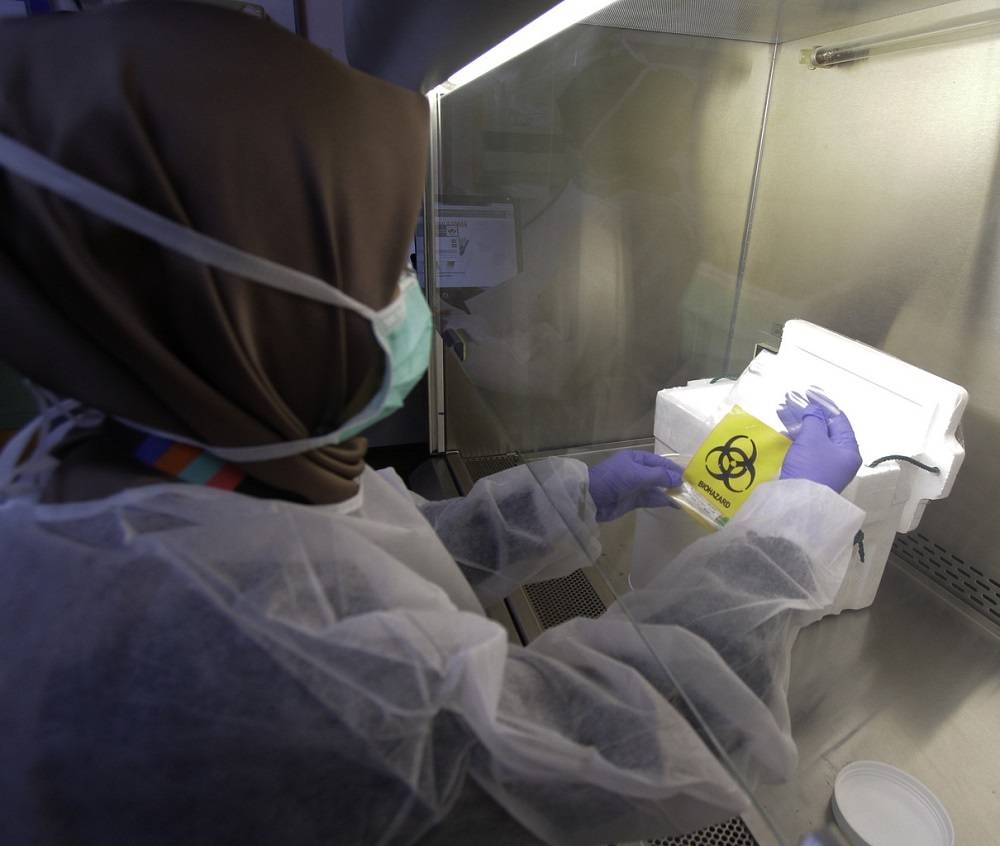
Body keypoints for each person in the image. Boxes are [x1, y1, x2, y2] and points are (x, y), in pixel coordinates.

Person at [0, 4, 864, 845]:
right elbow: (605, 753)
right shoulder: (228, 652)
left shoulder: (147, 460)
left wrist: (571, 499)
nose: (412, 295)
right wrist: (782, 543)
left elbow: (353, 566)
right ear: (246, 300)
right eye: (383, 261)